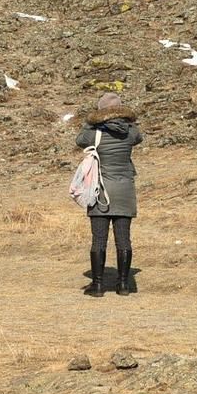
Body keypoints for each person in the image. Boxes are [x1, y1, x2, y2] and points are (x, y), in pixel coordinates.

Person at [75, 92, 143, 297]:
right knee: (123, 239)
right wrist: (127, 119)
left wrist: (92, 122)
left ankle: (97, 286)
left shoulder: (93, 132)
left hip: (100, 191)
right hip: (125, 191)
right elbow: (138, 137)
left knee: (99, 240)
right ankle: (123, 285)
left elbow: (79, 140)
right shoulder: (130, 131)